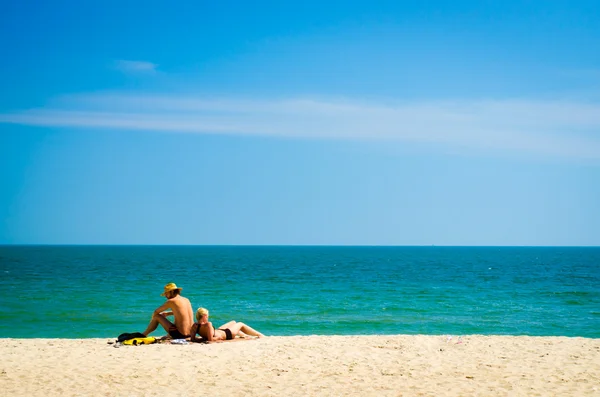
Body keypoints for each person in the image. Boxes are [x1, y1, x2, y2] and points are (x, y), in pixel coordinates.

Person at [190, 307, 265, 342]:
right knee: (240, 324)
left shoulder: (195, 326)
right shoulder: (208, 324)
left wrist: (202, 339)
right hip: (227, 334)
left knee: (233, 322)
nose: (208, 317)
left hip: (219, 331)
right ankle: (259, 334)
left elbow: (193, 339)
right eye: (207, 316)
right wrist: (216, 338)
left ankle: (243, 335)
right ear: (204, 316)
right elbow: (211, 340)